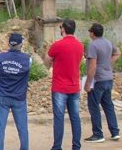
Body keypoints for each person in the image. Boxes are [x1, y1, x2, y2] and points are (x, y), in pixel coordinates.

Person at [44, 19, 84, 150]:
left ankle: (57, 147)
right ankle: (76, 146)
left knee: (59, 118)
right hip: (74, 87)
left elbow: (47, 60)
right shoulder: (80, 45)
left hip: (60, 87)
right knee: (75, 118)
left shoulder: (57, 45)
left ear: (63, 29)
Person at [0, 33, 32, 150]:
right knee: (22, 129)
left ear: (9, 44)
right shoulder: (28, 59)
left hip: (2, 97)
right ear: (21, 45)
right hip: (19, 98)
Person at [84, 23, 122, 143]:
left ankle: (98, 134)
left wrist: (88, 84)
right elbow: (118, 53)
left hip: (98, 80)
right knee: (108, 105)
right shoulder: (107, 42)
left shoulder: (93, 45)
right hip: (108, 78)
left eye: (90, 32)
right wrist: (107, 63)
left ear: (92, 33)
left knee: (94, 106)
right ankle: (115, 132)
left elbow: (92, 66)